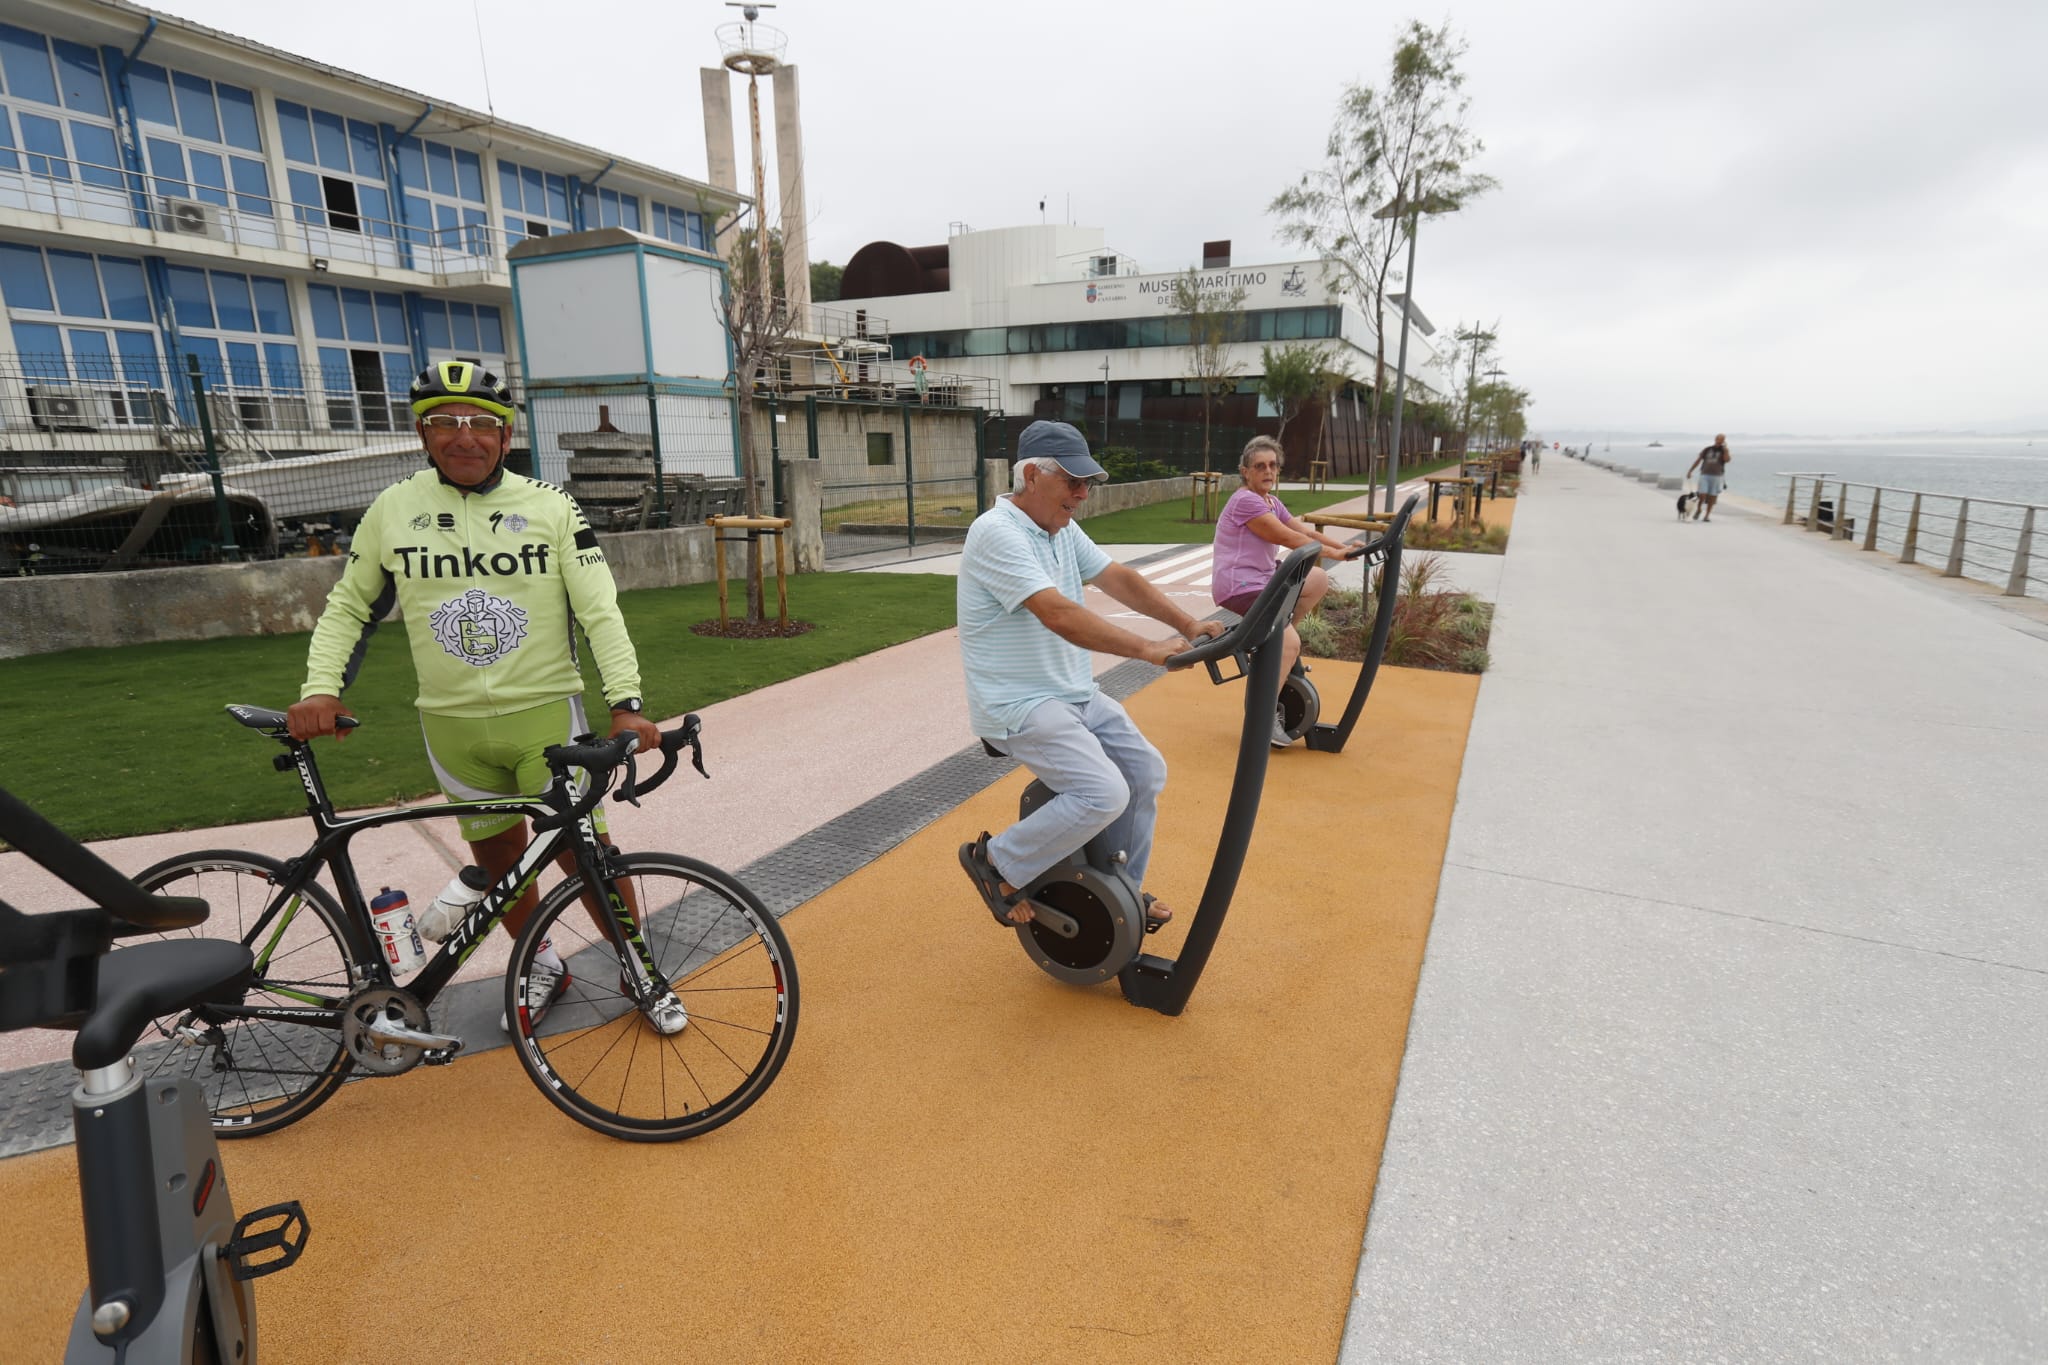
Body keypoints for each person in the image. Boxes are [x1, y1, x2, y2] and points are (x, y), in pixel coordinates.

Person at [285, 361, 677, 1033]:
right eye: (445, 422)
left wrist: (626, 701)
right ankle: (542, 961)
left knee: (586, 854)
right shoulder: (393, 509)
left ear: (504, 433)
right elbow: (348, 608)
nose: (463, 437)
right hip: (452, 729)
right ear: (422, 432)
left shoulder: (550, 506)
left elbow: (600, 611)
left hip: (547, 718)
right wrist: (319, 689)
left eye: (479, 424)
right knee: (499, 865)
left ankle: (634, 961)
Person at [955, 420, 1225, 930]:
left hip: (1073, 693)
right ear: (1031, 475)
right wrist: (1148, 648)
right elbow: (1057, 613)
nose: (1083, 493)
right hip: (1018, 704)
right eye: (1073, 481)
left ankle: (1122, 891)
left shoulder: (1059, 529)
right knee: (1103, 792)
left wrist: (1187, 623)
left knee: (1145, 773)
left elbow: (1116, 577)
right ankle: (996, 861)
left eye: (1088, 482)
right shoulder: (996, 532)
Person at [1209, 435, 1357, 746]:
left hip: (1264, 581)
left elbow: (1302, 529)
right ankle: (1262, 720)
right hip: (1240, 585)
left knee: (1317, 579)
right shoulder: (1245, 501)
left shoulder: (1270, 501)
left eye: (1273, 465)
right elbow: (1290, 539)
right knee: (1289, 642)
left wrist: (1344, 547)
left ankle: (1269, 639)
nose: (1268, 471)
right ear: (1245, 471)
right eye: (1260, 466)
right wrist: (1335, 555)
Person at [1686, 434, 1732, 521]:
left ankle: (1707, 515)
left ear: (1724, 441)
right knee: (1702, 494)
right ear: (1715, 439)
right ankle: (1699, 509)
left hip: (1717, 476)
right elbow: (1698, 460)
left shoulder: (1724, 450)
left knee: (1712, 497)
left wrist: (1725, 449)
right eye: (1718, 439)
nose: (1720, 440)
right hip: (1705, 474)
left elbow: (1727, 460)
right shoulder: (1707, 449)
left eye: (1722, 439)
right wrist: (1690, 471)